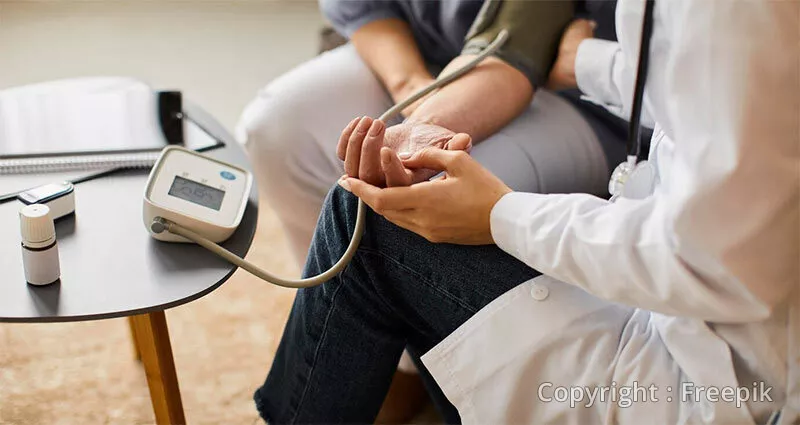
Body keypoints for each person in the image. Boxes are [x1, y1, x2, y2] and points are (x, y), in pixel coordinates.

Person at [253, 0, 799, 423]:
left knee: (368, 221)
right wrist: (593, 64)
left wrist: (500, 216)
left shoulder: (733, 13)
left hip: (714, 389)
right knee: (343, 179)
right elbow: (709, 93)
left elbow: (716, 262)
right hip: (695, 328)